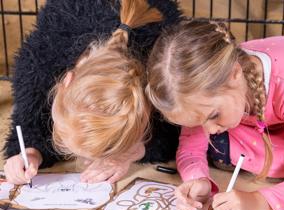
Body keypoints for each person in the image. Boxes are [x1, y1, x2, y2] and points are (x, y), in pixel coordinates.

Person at [146, 20, 284, 210]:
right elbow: (191, 150)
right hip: (254, 125)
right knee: (215, 142)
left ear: (235, 73)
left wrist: (257, 201)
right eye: (196, 124)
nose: (208, 130)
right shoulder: (202, 91)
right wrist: (197, 180)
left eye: (213, 116)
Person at [3, 0, 182, 184]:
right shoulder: (37, 65)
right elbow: (28, 123)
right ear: (65, 80)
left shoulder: (166, 67)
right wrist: (31, 153)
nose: (86, 163)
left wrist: (133, 151)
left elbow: (177, 132)